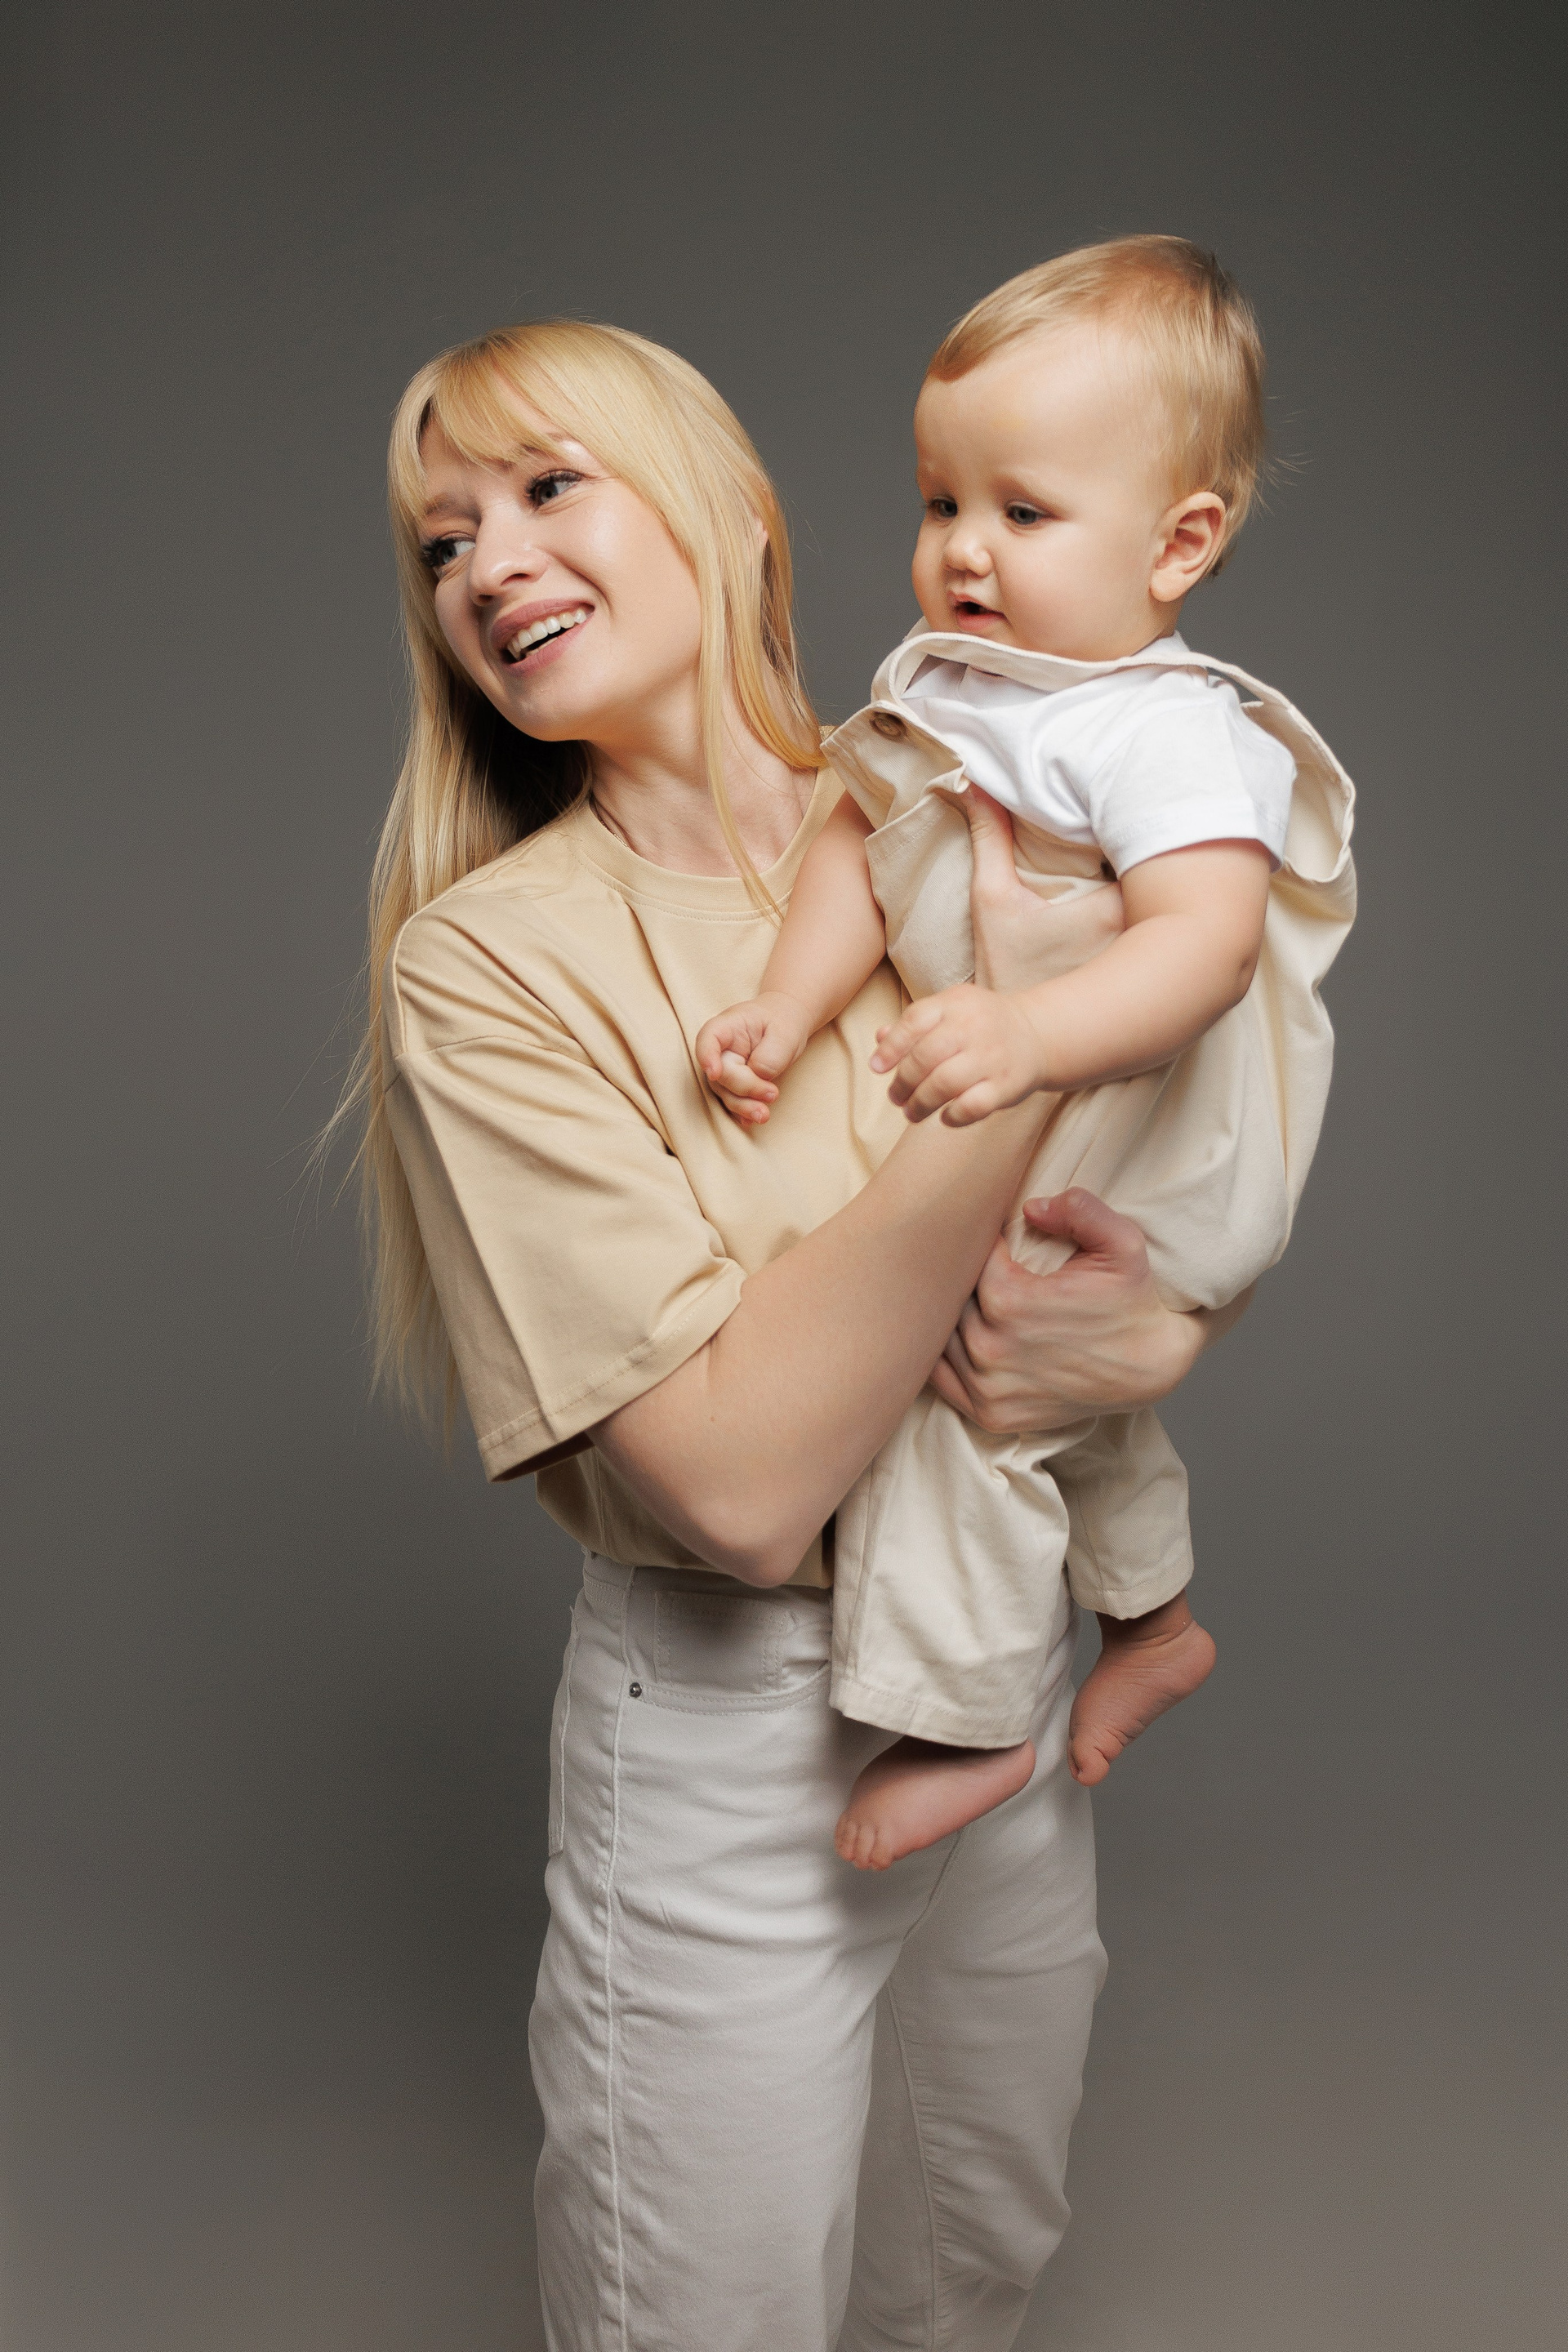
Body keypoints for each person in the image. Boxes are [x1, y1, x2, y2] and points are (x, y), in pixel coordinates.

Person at [347, 314, 1245, 2351]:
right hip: (741, 1734)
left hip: (1006, 1666)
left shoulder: (979, 784)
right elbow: (743, 1485)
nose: (490, 566)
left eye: (545, 488)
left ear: (735, 515)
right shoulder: (491, 967)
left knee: (973, 2269)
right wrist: (1027, 1056)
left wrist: (1155, 1338)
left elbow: (1194, 1143)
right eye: (443, 543)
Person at [697, 238, 1356, 1871]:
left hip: (1152, 1127)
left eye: (1025, 512)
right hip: (1036, 1100)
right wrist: (789, 1003)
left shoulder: (1166, 727)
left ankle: (976, 1720)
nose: (963, 551)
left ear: (1179, 543)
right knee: (1051, 1383)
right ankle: (1155, 1624)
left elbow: (1203, 949)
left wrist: (1026, 1026)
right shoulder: (954, 686)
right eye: (941, 503)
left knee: (959, 1400)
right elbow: (862, 845)